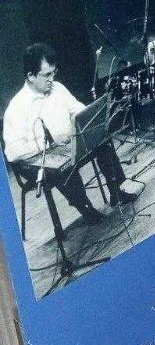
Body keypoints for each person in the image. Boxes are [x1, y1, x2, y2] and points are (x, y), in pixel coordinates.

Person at [3, 43, 138, 226]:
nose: (52, 79)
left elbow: (79, 110)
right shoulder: (16, 108)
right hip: (37, 159)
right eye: (46, 75)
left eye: (53, 73)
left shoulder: (57, 88)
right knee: (62, 167)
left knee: (102, 140)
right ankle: (85, 208)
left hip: (66, 143)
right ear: (31, 76)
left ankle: (116, 191)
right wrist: (48, 143)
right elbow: (12, 152)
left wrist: (88, 120)